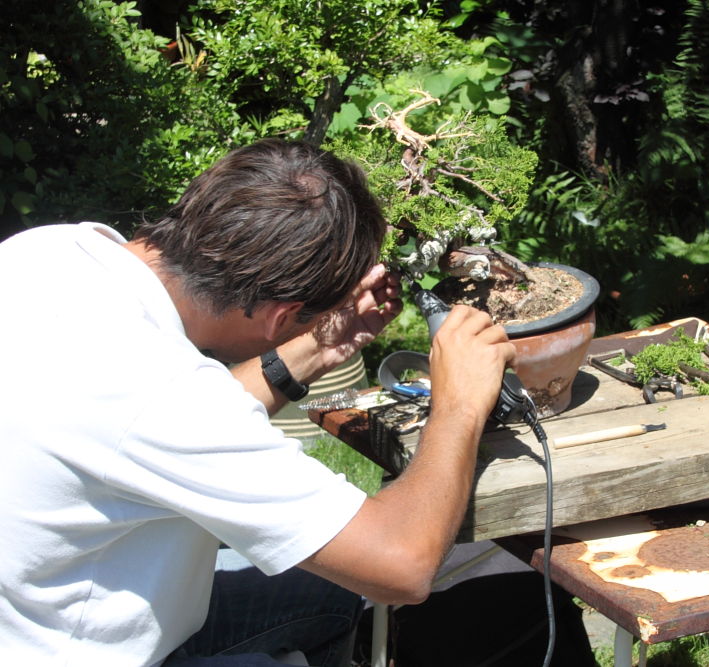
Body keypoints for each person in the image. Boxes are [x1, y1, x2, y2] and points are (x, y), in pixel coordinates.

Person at [0, 139, 515, 665]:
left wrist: (314, 348)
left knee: (330, 599)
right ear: (280, 316)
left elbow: (164, 424)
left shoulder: (48, 251)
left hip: (28, 611)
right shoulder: (163, 397)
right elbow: (402, 565)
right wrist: (458, 404)